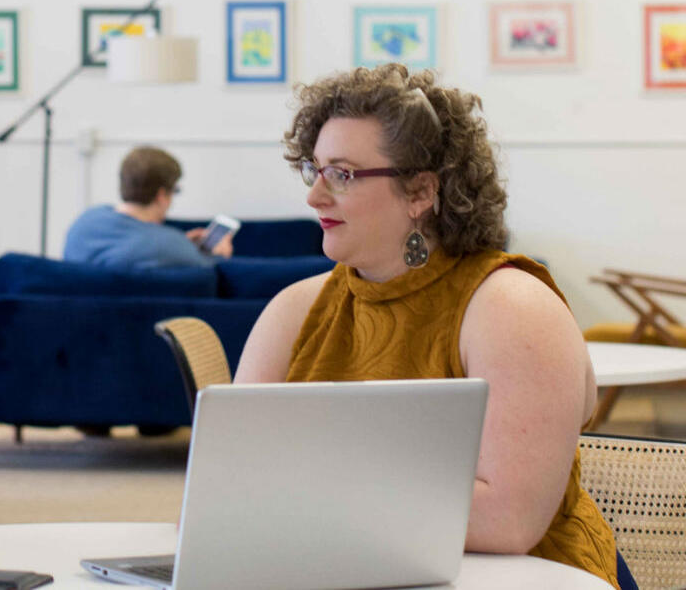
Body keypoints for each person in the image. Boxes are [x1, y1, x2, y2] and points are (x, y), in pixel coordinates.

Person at [234, 64, 626, 589]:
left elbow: (510, 521)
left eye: (343, 174)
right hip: (345, 573)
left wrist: (296, 504)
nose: (314, 197)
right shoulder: (293, 311)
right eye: (315, 169)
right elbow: (231, 490)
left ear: (420, 192)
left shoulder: (511, 307)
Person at [63, 146, 233, 269]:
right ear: (161, 195)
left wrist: (184, 245)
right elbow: (206, 271)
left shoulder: (85, 221)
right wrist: (220, 256)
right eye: (175, 191)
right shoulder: (169, 246)